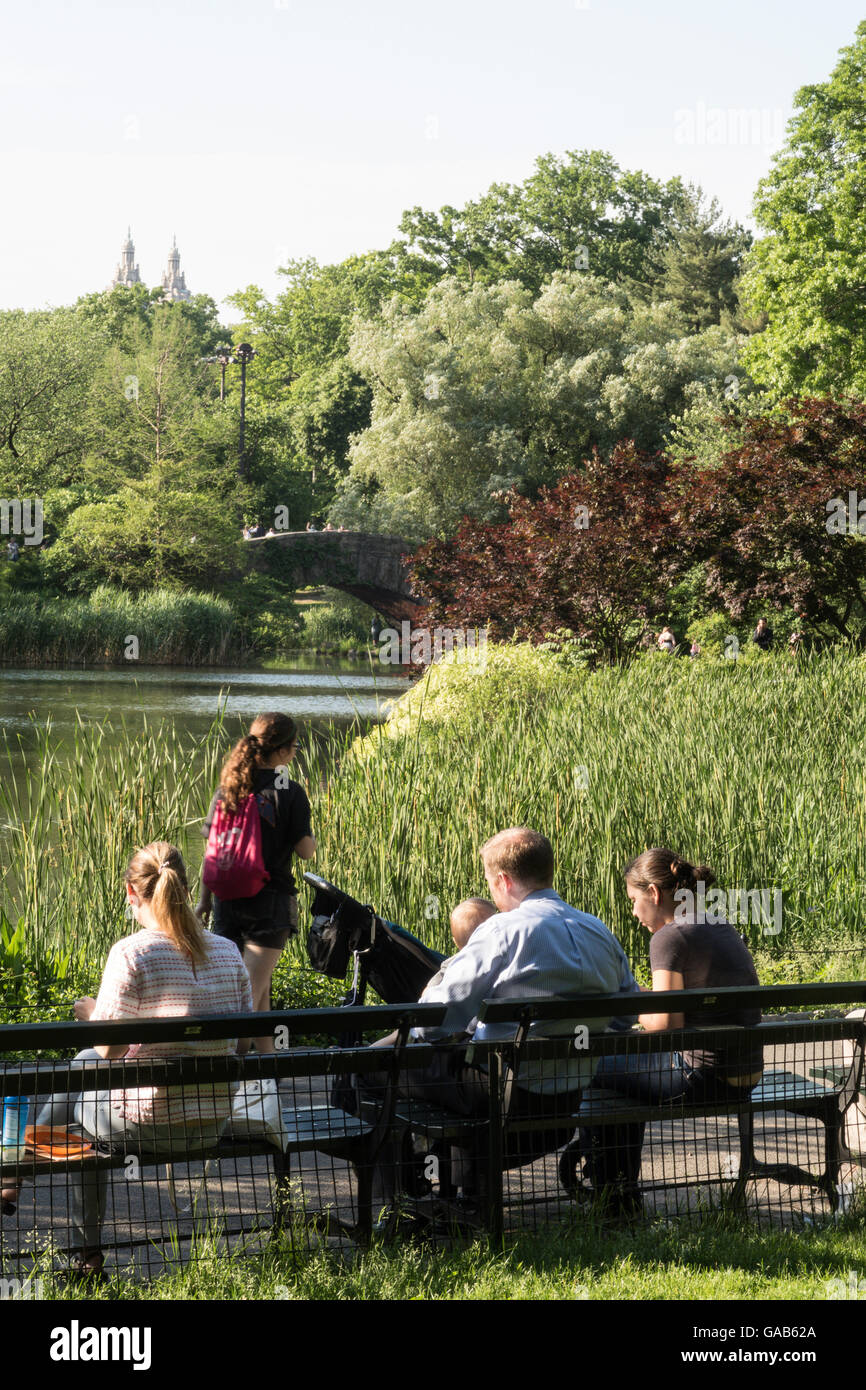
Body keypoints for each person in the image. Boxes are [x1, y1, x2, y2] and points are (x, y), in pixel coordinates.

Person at [1, 843, 253, 1280]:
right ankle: (17, 1177)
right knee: (85, 1074)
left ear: (131, 893)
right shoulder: (229, 953)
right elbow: (245, 1045)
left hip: (147, 1126)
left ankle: (70, 1239)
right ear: (185, 888)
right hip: (211, 1123)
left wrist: (91, 1016)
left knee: (83, 1084)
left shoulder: (132, 954)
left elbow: (109, 1051)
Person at [364, 828, 638, 1208]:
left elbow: (432, 1022)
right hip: (564, 1103)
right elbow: (625, 1019)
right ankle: (466, 1197)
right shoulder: (599, 931)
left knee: (370, 1066)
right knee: (471, 1065)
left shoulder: (503, 931)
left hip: (501, 1098)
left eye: (491, 883)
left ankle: (396, 1202)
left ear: (504, 880)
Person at [578, 848, 762, 1212]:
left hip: (701, 1078)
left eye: (634, 900)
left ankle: (613, 1197)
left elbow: (665, 1025)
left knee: (593, 1067)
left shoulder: (669, 937)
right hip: (746, 1073)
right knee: (625, 1079)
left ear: (655, 894)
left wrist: (632, 1002)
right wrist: (648, 1000)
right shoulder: (718, 924)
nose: (633, 912)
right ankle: (618, 1193)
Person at [195, 712, 315, 1052]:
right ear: (279, 751)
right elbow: (305, 852)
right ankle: (231, 1078)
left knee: (256, 995)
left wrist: (204, 901)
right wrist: (309, 837)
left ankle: (267, 1076)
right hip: (270, 905)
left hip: (227, 903)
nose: (294, 753)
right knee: (245, 997)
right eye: (294, 747)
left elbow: (211, 851)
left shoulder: (227, 790)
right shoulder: (290, 792)